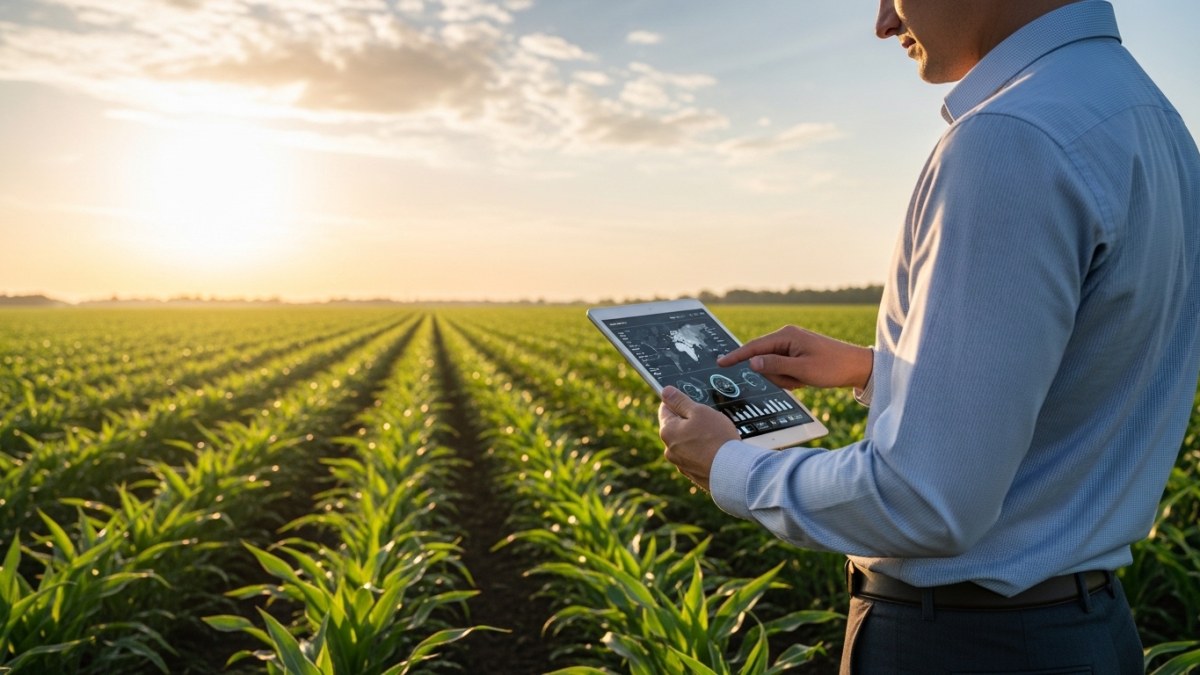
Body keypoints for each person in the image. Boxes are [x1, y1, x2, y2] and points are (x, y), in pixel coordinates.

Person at [657, 0, 1200, 672]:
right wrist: (875, 369)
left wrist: (729, 465)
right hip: (1089, 632)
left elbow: (925, 499)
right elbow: (1087, 372)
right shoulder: (1150, 118)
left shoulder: (1011, 134)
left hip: (969, 644)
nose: (884, 20)